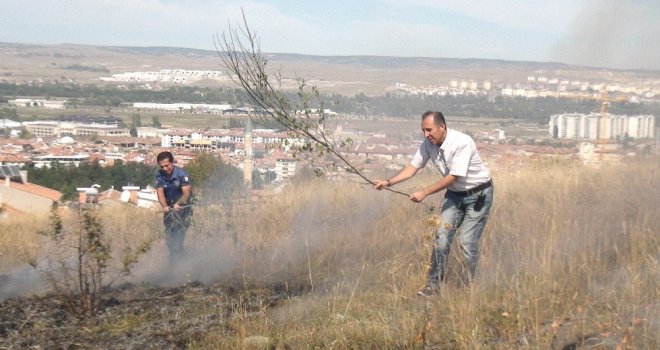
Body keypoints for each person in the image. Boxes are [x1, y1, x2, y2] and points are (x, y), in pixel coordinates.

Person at [374, 111, 493, 296]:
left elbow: (454, 177)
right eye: (423, 130)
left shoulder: (462, 142)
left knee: (467, 241)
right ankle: (433, 286)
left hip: (478, 195)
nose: (426, 134)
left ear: (442, 127)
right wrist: (388, 182)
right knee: (441, 237)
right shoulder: (428, 144)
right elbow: (413, 168)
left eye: (429, 130)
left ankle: (468, 288)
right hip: (455, 196)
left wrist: (424, 192)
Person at [155, 151, 193, 264]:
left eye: (167, 165)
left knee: (178, 238)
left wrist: (179, 203)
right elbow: (160, 193)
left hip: (183, 210)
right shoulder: (159, 175)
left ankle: (179, 264)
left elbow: (186, 194)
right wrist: (164, 206)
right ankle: (176, 260)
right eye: (162, 167)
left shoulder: (182, 175)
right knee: (169, 240)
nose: (165, 169)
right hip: (169, 210)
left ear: (172, 162)